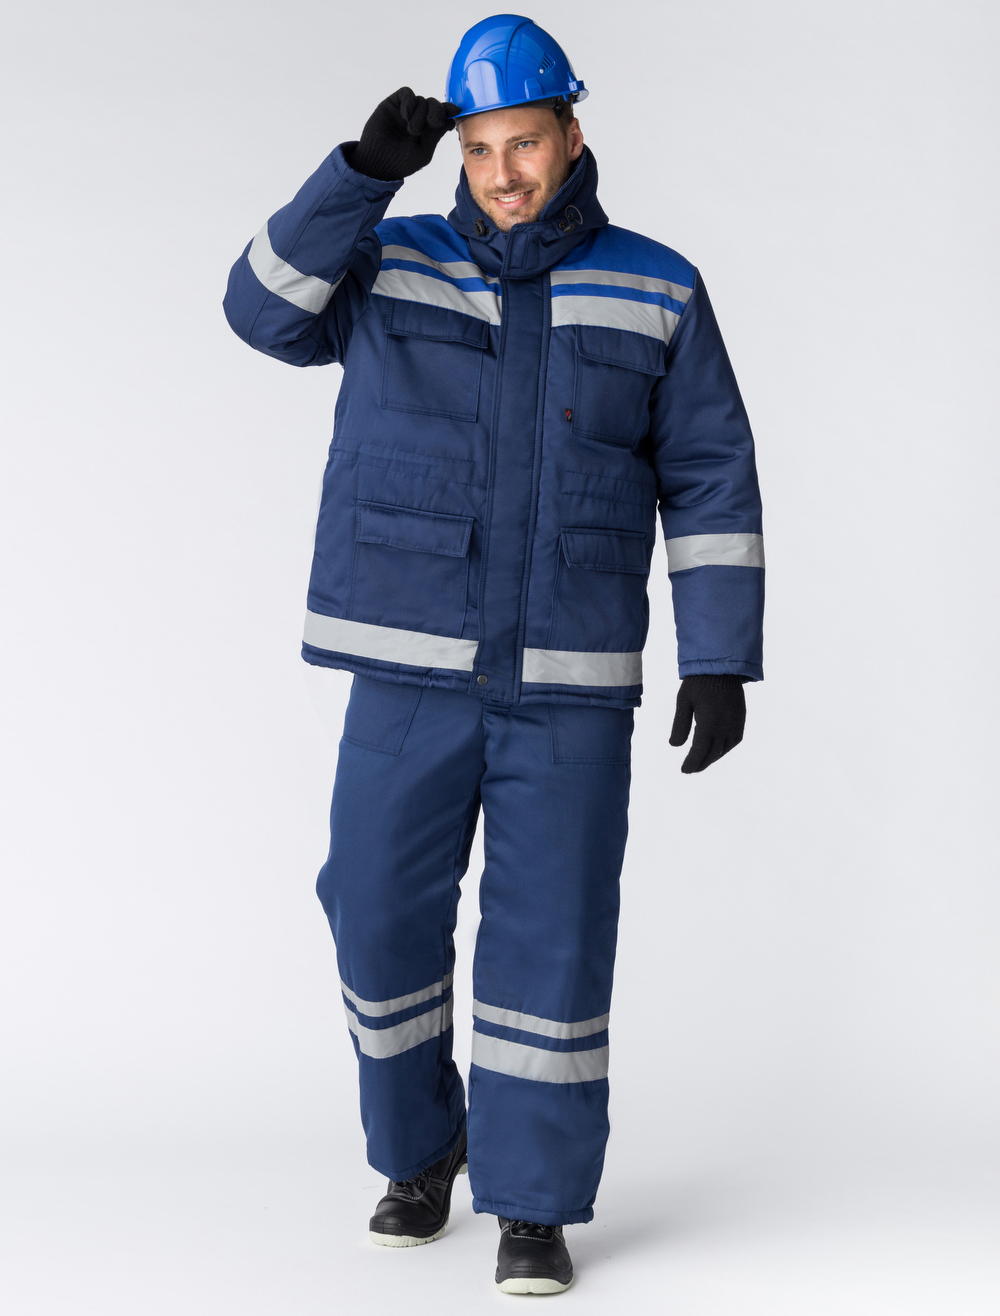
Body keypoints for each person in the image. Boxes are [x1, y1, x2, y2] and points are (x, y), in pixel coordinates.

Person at [223, 14, 763, 1296]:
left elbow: (708, 471)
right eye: (479, 150)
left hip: (567, 678)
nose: (503, 173)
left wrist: (719, 653)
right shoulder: (387, 258)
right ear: (455, 154)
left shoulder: (657, 284)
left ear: (571, 133)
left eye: (523, 143)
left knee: (552, 944)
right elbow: (259, 313)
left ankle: (532, 1201)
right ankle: (423, 1151)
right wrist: (361, 172)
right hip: (407, 665)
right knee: (372, 911)